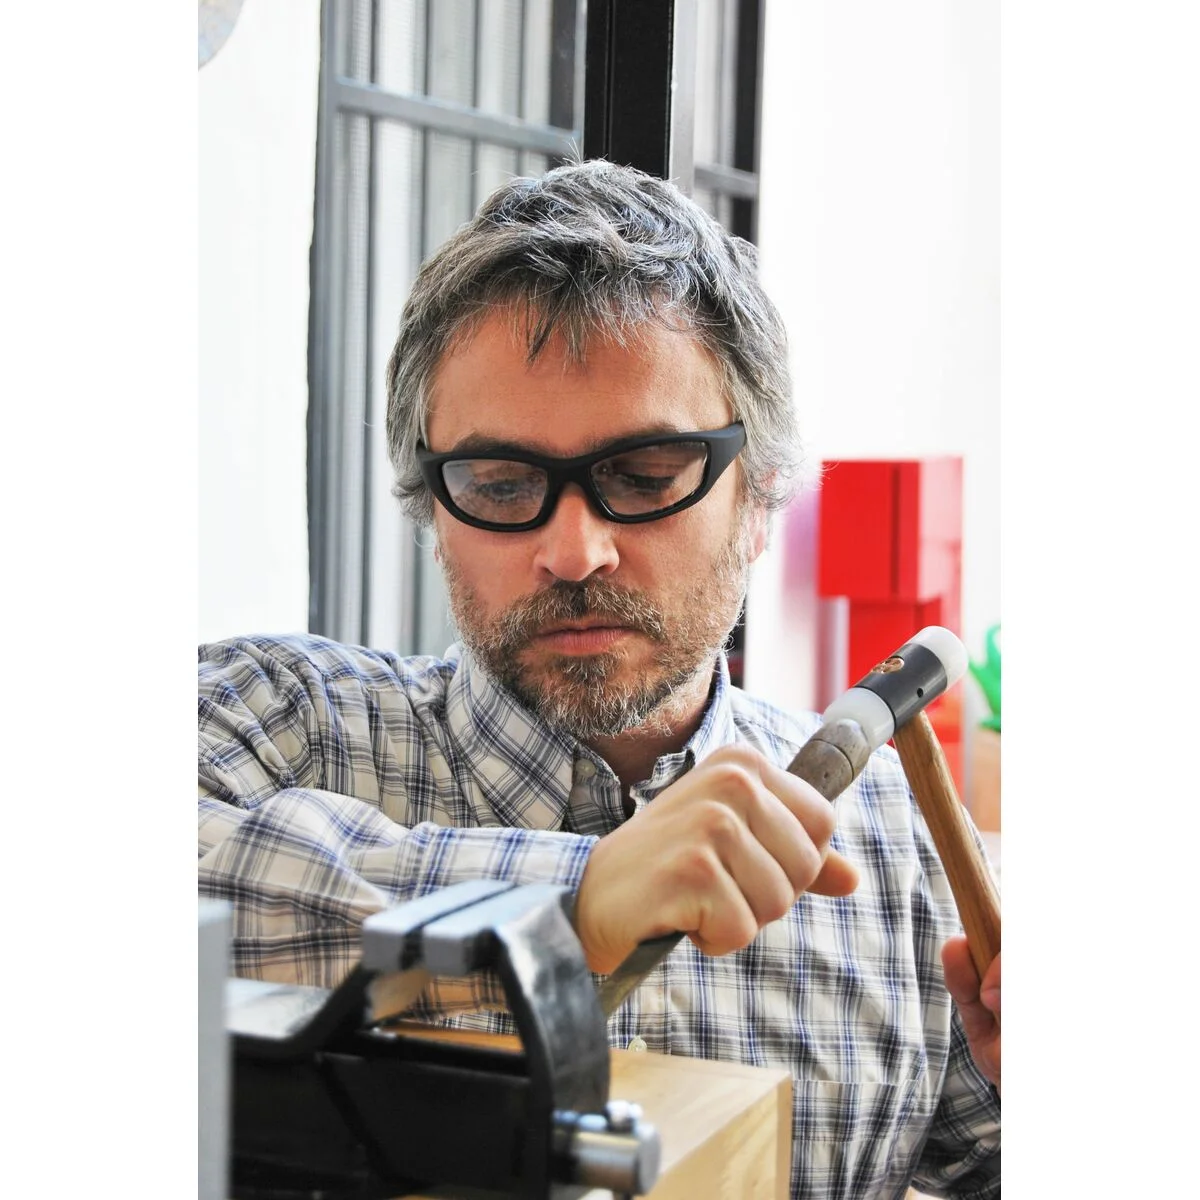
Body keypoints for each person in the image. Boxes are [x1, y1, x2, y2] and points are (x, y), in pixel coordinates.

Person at [199, 158, 1000, 1198]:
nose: (574, 552)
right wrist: (569, 899)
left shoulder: (890, 838)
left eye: (645, 476)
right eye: (500, 484)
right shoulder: (287, 725)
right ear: (431, 508)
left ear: (760, 498)